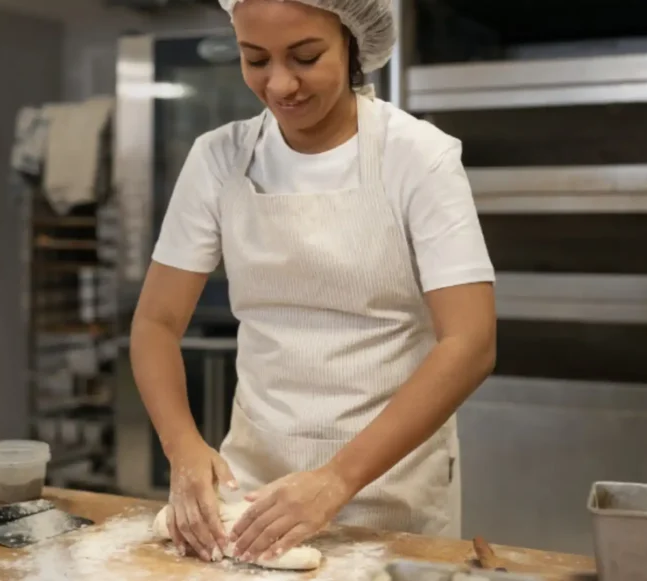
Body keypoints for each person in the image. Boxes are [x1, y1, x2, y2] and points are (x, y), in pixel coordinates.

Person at [129, 0, 497, 567]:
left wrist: (336, 480)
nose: (280, 84)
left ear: (352, 43)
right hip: (252, 496)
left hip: (392, 495)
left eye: (305, 57)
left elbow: (470, 344)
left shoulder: (418, 158)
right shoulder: (219, 160)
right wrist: (184, 449)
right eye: (255, 60)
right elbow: (156, 322)